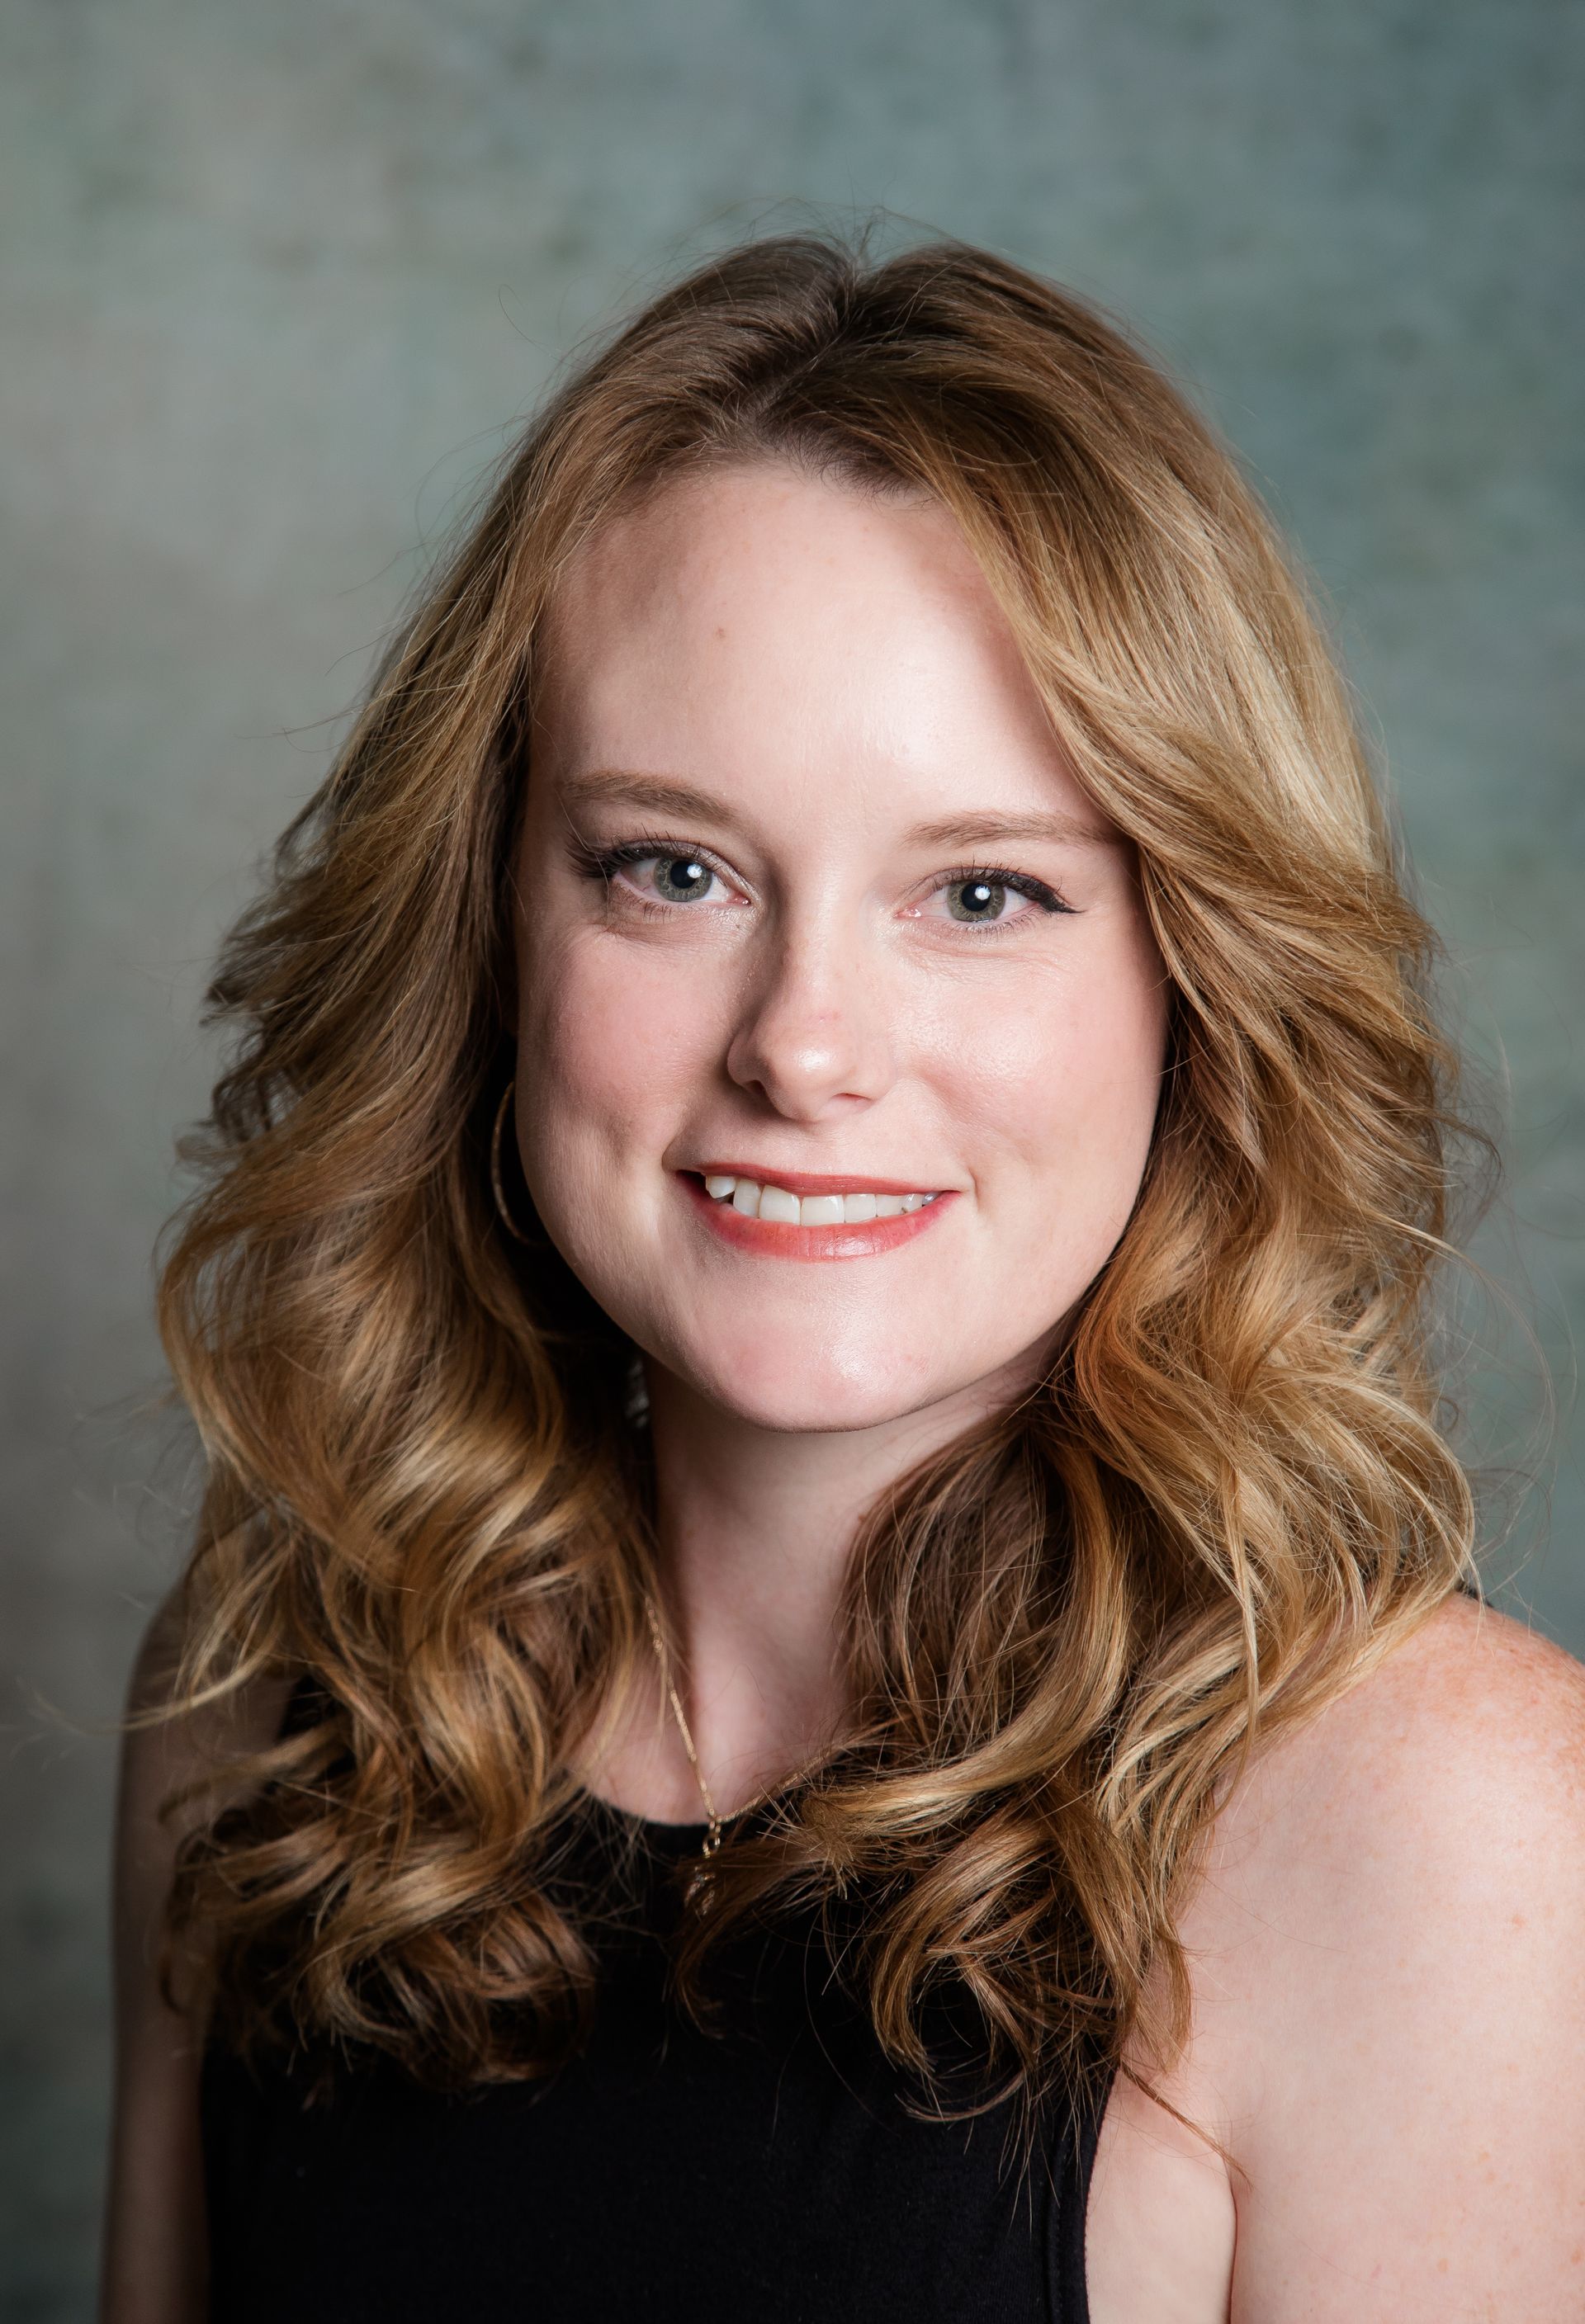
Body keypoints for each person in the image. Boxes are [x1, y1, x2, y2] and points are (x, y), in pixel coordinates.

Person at [101, 234, 1585, 2324]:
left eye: (982, 892)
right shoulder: (263, 1708)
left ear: (1197, 975)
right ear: (493, 934)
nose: (803, 1043)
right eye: (673, 870)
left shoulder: (1450, 1836)